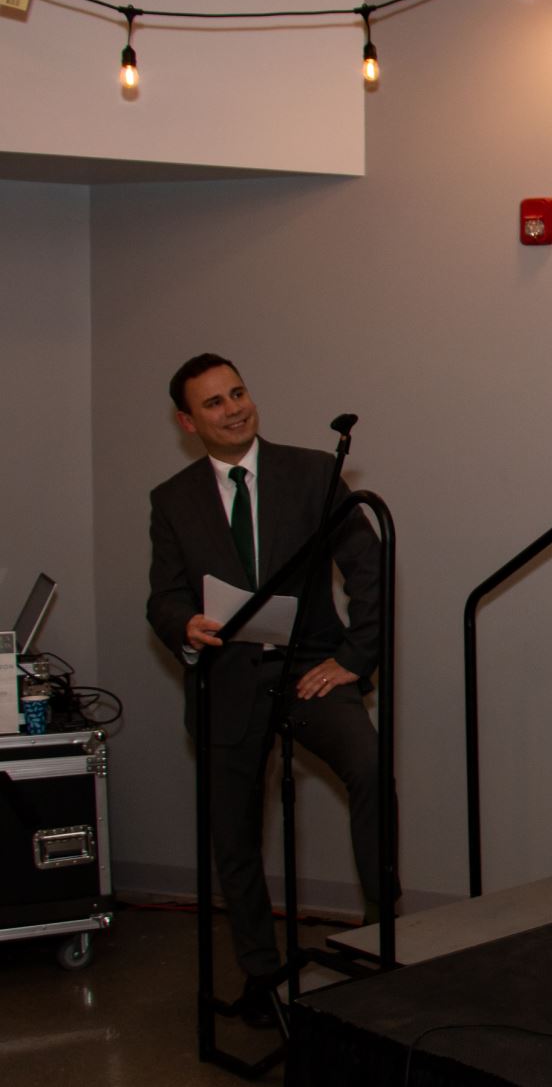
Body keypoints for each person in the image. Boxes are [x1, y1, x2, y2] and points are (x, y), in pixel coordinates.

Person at [146, 353, 389, 1025]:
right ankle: (259, 971)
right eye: (215, 403)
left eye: (238, 392)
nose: (233, 409)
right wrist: (184, 626)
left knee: (369, 765)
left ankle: (382, 937)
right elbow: (162, 597)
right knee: (234, 832)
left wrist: (354, 655)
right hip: (228, 677)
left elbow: (370, 568)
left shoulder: (315, 473)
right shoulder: (171, 500)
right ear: (187, 421)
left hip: (311, 668)